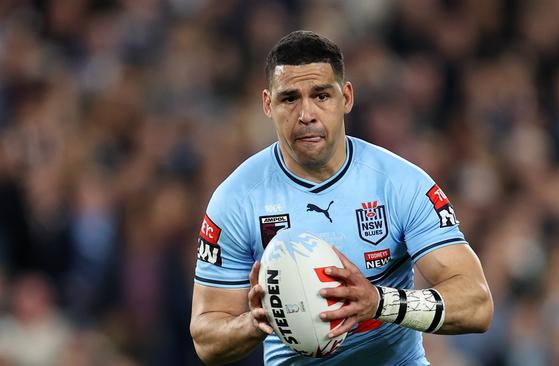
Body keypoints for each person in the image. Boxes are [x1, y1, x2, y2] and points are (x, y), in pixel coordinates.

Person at [190, 30, 493, 366]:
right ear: (267, 104)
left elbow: (477, 304)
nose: (306, 114)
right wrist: (257, 320)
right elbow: (206, 338)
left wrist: (378, 302)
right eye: (289, 99)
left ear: (346, 97)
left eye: (321, 96)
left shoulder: (400, 184)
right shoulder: (236, 199)